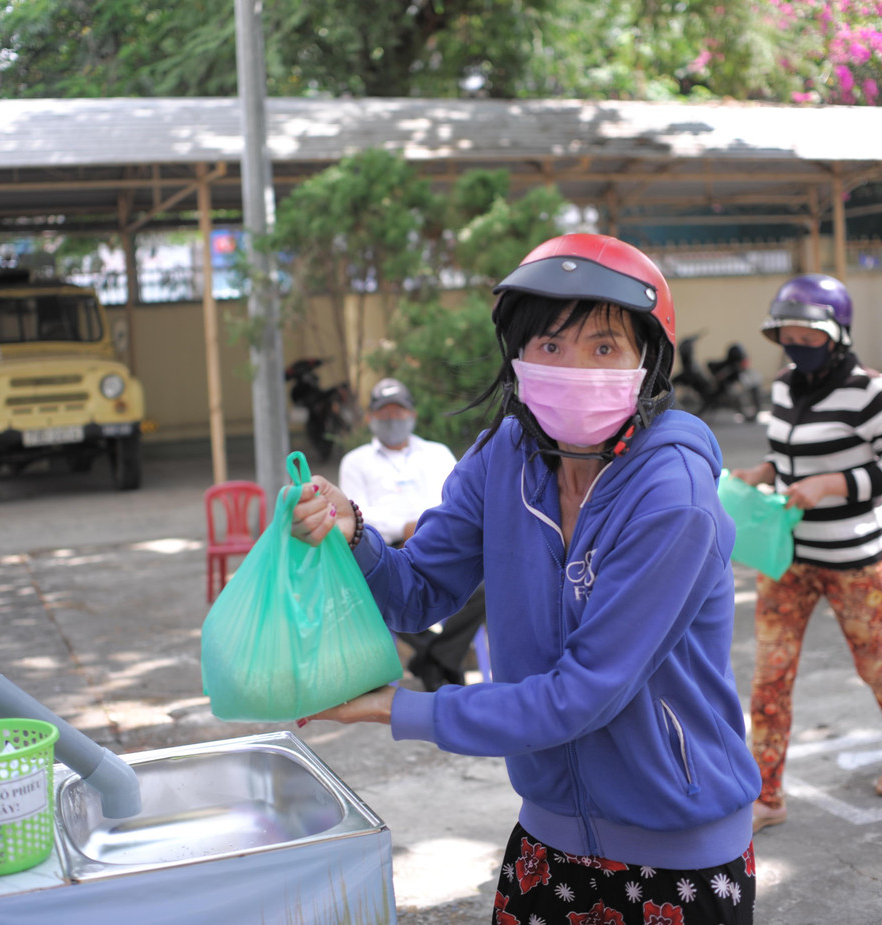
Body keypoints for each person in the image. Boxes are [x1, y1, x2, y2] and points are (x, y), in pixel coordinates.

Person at [292, 234, 761, 924]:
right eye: (549, 345)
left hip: (679, 854)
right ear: (518, 356)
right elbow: (417, 591)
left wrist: (399, 706)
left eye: (604, 347)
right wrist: (354, 534)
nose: (574, 367)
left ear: (647, 362)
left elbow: (581, 695)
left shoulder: (674, 497)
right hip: (548, 839)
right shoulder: (502, 455)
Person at [727, 273, 882, 835]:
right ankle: (766, 795)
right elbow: (786, 452)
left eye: (807, 336)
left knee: (875, 664)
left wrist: (831, 484)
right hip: (786, 557)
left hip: (855, 560)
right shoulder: (785, 386)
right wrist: (763, 472)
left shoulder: (872, 391)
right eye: (786, 335)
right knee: (769, 679)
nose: (795, 346)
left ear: (836, 334)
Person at [338, 378, 485, 691]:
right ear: (370, 418)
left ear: (413, 414)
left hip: (437, 540)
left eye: (398, 411)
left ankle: (435, 657)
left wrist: (422, 527)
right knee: (380, 589)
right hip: (380, 544)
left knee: (483, 589)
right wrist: (403, 526)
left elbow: (457, 501)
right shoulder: (356, 461)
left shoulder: (437, 453)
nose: (393, 419)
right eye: (384, 412)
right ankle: (439, 659)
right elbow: (353, 513)